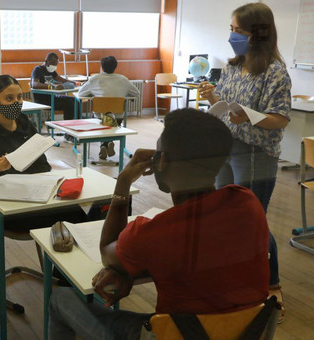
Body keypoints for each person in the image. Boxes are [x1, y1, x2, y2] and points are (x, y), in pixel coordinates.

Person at [48, 108, 270, 339]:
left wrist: (123, 182)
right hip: (246, 331)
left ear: (161, 160)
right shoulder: (247, 202)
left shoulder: (152, 235)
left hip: (180, 334)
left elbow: (108, 252)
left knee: (60, 299)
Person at [199, 3, 290, 322]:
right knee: (227, 215)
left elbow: (280, 119)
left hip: (256, 154)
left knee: (253, 221)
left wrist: (249, 116)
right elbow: (225, 106)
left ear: (258, 33)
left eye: (237, 30)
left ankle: (272, 285)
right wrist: (212, 97)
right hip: (228, 148)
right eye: (231, 29)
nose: (231, 36)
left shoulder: (275, 71)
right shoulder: (234, 66)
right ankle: (235, 280)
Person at [0, 74, 90, 231]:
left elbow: (42, 165)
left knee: (80, 212)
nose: (16, 103)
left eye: (19, 97)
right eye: (9, 98)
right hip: (4, 207)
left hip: (34, 195)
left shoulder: (24, 123)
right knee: (77, 217)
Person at [77, 56, 140, 159]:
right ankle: (107, 143)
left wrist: (93, 95)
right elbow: (137, 93)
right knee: (111, 120)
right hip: (117, 118)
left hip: (100, 118)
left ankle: (104, 144)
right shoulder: (123, 79)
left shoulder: (95, 79)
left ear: (102, 67)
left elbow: (81, 93)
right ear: (115, 66)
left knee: (104, 119)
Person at [31, 52, 77, 143]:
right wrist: (51, 87)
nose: (54, 66)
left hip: (52, 98)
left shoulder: (51, 71)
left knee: (75, 101)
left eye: (56, 65)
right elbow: (34, 84)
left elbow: (61, 80)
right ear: (46, 61)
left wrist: (72, 82)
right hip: (42, 100)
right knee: (68, 104)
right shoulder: (38, 69)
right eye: (52, 64)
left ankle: (75, 130)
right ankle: (68, 134)